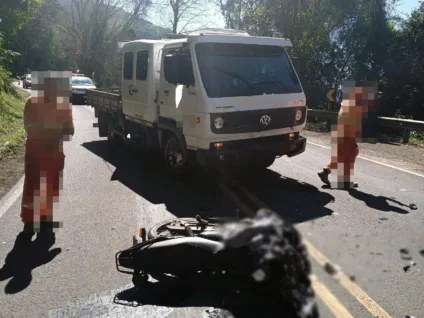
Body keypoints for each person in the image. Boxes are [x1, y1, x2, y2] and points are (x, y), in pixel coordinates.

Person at [21, 71, 74, 235]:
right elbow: (69, 132)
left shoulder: (31, 102)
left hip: (34, 150)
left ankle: (30, 219)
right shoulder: (63, 105)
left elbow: (27, 126)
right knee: (50, 183)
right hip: (52, 152)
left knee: (32, 183)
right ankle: (45, 219)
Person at [318, 81, 375, 189]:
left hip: (340, 132)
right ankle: (345, 181)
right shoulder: (354, 107)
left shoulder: (345, 103)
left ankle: (326, 171)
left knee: (340, 154)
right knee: (351, 154)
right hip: (347, 134)